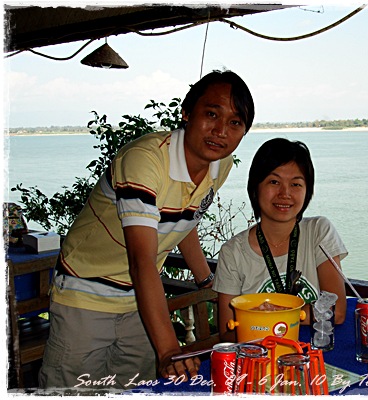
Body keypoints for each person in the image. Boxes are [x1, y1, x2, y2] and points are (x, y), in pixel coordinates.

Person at [38, 70, 255, 389]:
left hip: (141, 303)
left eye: (235, 122)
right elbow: (141, 261)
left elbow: (186, 220)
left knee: (136, 390)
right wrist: (169, 350)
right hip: (85, 296)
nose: (221, 130)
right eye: (211, 114)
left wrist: (207, 281)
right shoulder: (145, 160)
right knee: (70, 392)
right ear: (187, 113)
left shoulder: (219, 165)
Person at [212, 138, 347, 343]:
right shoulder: (233, 252)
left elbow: (336, 312)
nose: (285, 193)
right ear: (256, 187)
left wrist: (264, 316)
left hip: (311, 353)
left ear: (307, 191)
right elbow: (228, 333)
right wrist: (291, 317)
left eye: (296, 184)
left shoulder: (318, 231)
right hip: (261, 356)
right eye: (274, 182)